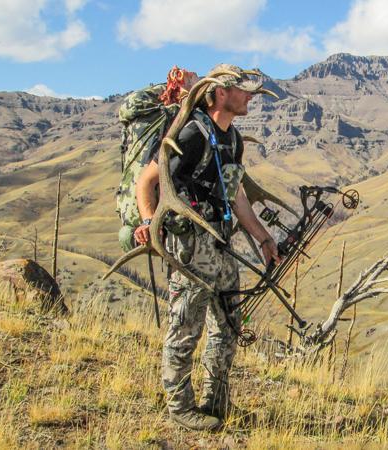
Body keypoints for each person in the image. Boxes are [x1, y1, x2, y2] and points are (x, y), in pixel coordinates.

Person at [133, 64, 280, 431]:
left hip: (221, 243)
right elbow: (146, 181)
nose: (249, 97)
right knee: (185, 325)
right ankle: (180, 408)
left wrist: (262, 237)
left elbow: (236, 194)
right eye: (242, 91)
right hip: (190, 246)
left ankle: (216, 402)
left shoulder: (233, 140)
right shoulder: (190, 134)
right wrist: (151, 223)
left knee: (228, 324)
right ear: (220, 94)